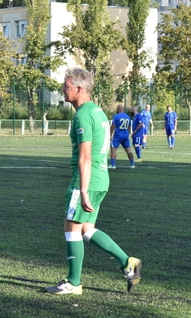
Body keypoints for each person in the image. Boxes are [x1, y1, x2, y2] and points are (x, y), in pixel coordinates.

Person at [46, 67, 141, 295]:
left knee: (71, 226)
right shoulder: (97, 111)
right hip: (101, 178)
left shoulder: (83, 115)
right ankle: (128, 262)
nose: (63, 89)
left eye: (66, 86)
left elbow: (85, 157)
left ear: (79, 89)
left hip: (87, 179)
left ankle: (74, 282)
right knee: (86, 228)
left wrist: (83, 189)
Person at [109, 104, 135, 169]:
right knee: (128, 150)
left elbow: (113, 126)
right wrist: (128, 133)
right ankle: (132, 164)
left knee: (113, 149)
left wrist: (110, 134)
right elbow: (129, 127)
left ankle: (112, 165)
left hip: (118, 135)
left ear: (118, 109)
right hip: (125, 135)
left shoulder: (116, 116)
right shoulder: (128, 117)